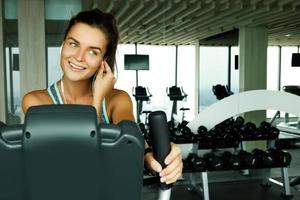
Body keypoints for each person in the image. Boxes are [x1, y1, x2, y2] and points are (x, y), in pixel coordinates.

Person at [22, 8, 182, 185]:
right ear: (63, 44)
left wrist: (161, 160)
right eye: (73, 44)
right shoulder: (36, 102)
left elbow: (134, 147)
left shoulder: (117, 100)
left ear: (103, 59)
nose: (79, 57)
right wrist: (96, 102)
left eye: (93, 52)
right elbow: (75, 164)